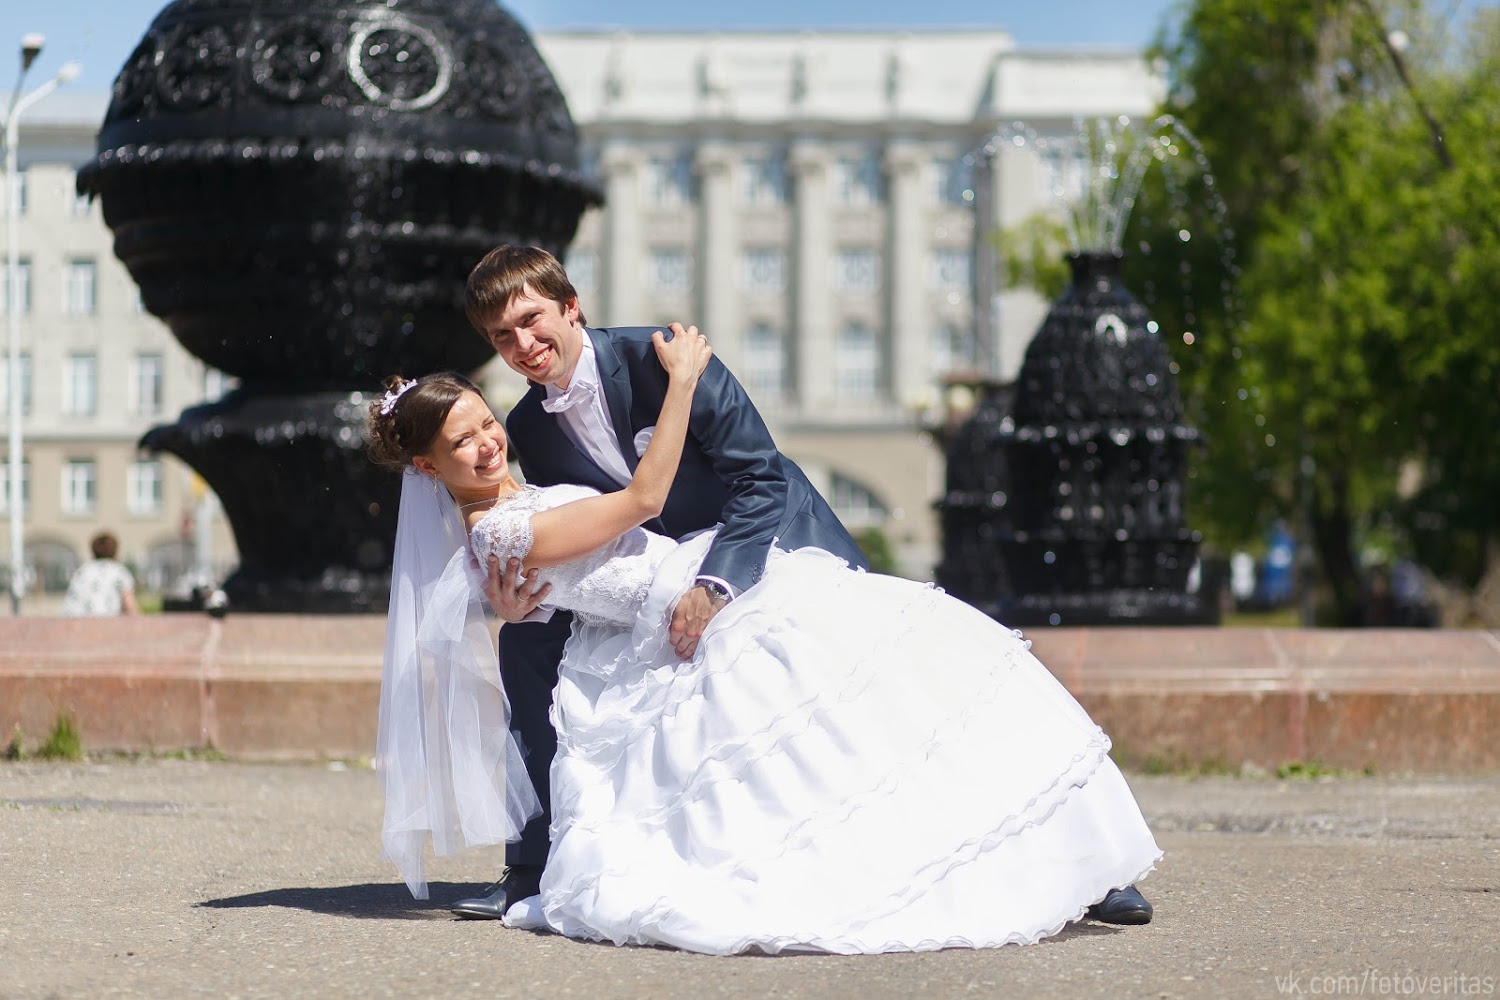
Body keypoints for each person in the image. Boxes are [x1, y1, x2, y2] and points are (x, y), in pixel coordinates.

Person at [365, 334, 1163, 954]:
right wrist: (681, 381)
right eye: (461, 443)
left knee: (889, 683)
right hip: (677, 614)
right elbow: (644, 498)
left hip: (700, 583)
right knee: (831, 735)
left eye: (482, 420)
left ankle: (1063, 851)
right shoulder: (502, 529)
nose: (485, 443)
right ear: (429, 468)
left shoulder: (517, 498)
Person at [450, 245, 872, 921]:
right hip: (655, 581)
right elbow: (569, 529)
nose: (523, 344)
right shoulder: (527, 424)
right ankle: (531, 866)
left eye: (532, 320)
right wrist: (520, 596)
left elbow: (760, 480)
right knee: (524, 646)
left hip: (758, 549)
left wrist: (715, 586)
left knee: (865, 689)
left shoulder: (666, 359)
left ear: (570, 306)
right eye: (502, 337)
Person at [61, 531, 139, 617]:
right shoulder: (119, 571)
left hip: (75, 622)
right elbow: (130, 607)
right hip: (105, 623)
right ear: (115, 551)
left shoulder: (82, 571)